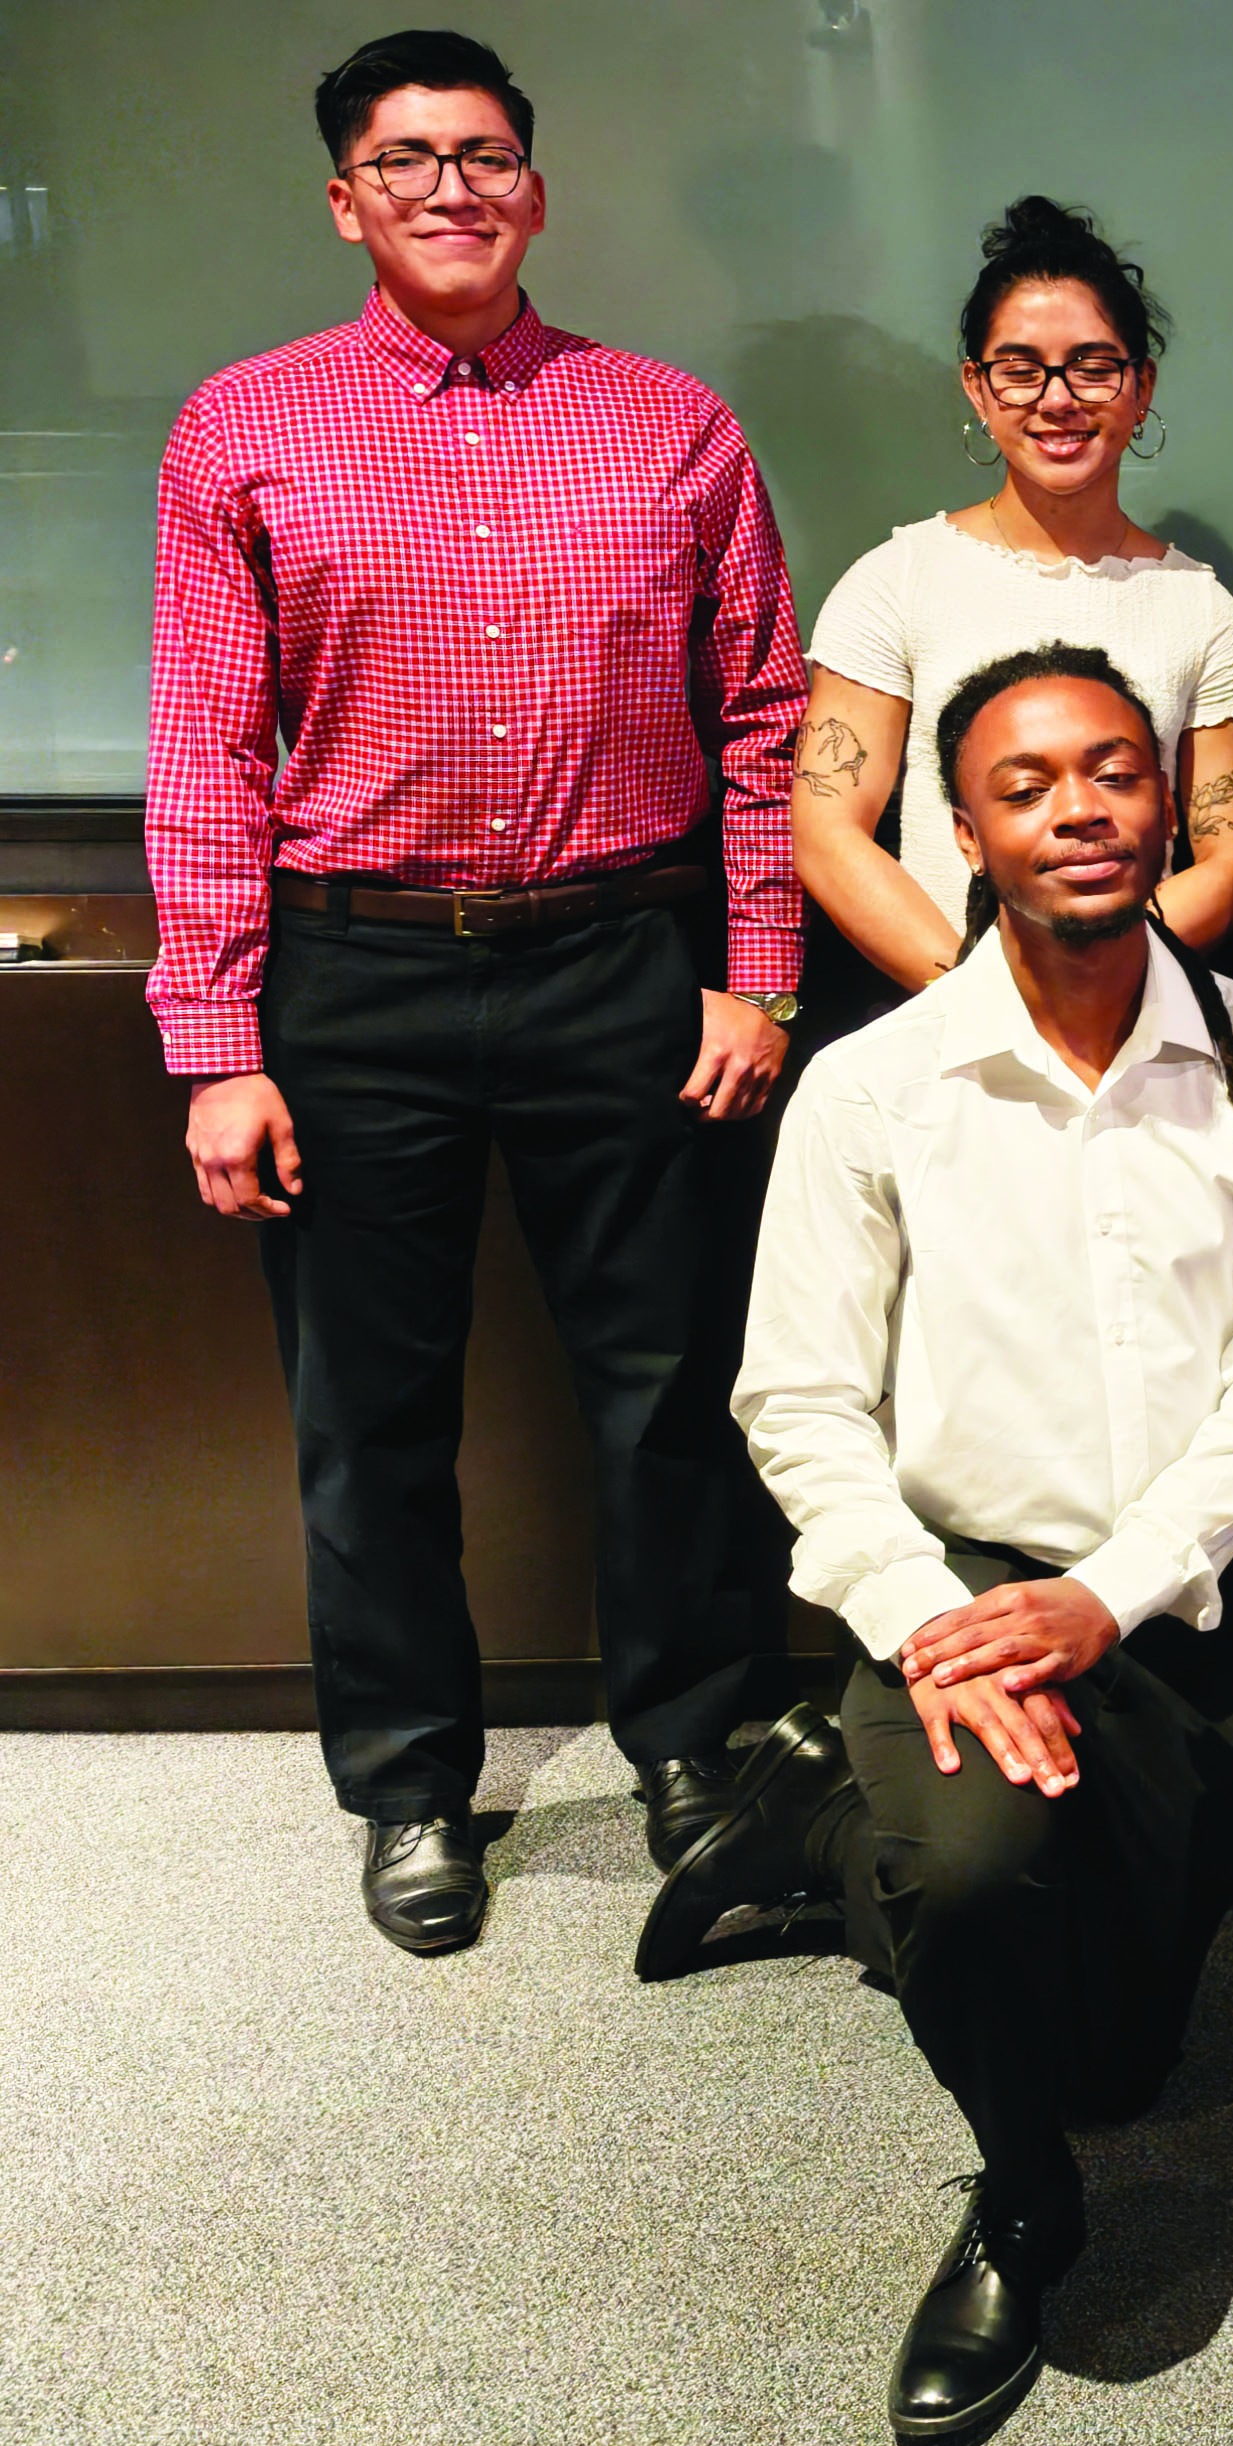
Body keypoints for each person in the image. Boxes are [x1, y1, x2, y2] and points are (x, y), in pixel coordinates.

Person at [638, 644, 1233, 2443]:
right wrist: (934, 1622)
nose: (1078, 811)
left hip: (1163, 1596)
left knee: (1128, 2049)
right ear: (964, 829)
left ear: (1168, 804)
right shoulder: (876, 1088)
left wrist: (1106, 1601)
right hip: (949, 1585)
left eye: (1114, 772)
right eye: (1026, 785)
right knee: (979, 1891)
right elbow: (796, 1401)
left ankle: (815, 1826)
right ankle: (1023, 2198)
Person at [146, 28, 806, 1951]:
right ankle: (412, 1782)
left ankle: (695, 1739)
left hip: (624, 956)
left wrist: (751, 974)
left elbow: (759, 716)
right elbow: (206, 744)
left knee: (667, 1390)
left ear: (538, 184)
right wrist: (216, 1046)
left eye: (488, 153)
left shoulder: (668, 421)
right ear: (346, 198)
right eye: (409, 158)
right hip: (352, 976)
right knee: (368, 1415)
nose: (454, 186)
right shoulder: (243, 424)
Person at [792, 196, 1233, 998]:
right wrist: (976, 998)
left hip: (1141, 1014)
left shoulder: (1203, 610)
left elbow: (1228, 858)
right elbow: (829, 832)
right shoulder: (896, 578)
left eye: (1093, 365)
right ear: (977, 389)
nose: (1057, 399)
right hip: (936, 1014)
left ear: (1141, 385)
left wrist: (1093, 980)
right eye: (1019, 370)